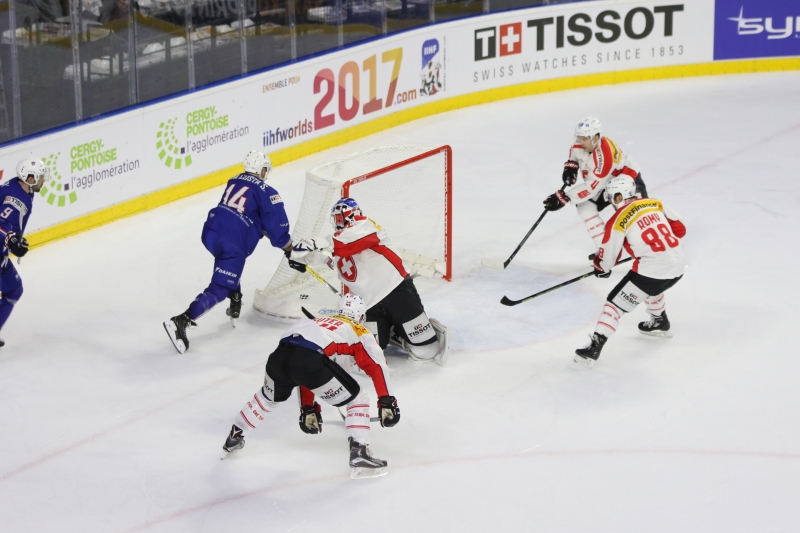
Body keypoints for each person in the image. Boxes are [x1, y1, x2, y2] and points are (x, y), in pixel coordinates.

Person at [221, 293, 400, 479]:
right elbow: (376, 367)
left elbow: (304, 359)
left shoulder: (317, 319)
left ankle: (235, 435)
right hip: (310, 361)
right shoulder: (360, 331)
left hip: (279, 357)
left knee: (267, 399)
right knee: (358, 398)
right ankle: (360, 454)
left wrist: (308, 408)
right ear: (361, 317)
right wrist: (387, 401)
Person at [163, 150, 304, 354]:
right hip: (233, 242)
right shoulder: (267, 191)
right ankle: (182, 320)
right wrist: (290, 250)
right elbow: (277, 231)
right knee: (220, 287)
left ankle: (235, 295)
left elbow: (241, 210)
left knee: (226, 266)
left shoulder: (234, 180)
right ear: (263, 169)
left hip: (211, 232)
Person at [293, 197, 448, 364]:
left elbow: (340, 242)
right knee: (368, 360)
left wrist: (314, 243)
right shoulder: (338, 245)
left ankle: (404, 331)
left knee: (427, 352)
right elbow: (322, 254)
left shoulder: (366, 226)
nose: (337, 222)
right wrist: (301, 257)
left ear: (351, 215)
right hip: (370, 307)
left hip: (397, 293)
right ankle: (392, 332)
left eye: (339, 218)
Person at [574, 176, 687, 366]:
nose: (611, 203)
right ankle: (660, 321)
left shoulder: (619, 218)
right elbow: (680, 230)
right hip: (678, 266)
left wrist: (601, 266)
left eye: (612, 198)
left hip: (652, 271)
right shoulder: (654, 203)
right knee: (652, 287)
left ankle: (593, 348)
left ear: (619, 197)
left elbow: (609, 257)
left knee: (614, 305)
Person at [543, 117, 649, 257]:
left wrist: (564, 198)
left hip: (626, 181)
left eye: (585, 139)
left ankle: (653, 244)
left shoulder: (604, 157)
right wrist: (571, 168)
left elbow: (591, 188)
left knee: (636, 213)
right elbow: (574, 156)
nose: (581, 142)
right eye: (579, 138)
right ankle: (606, 251)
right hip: (603, 182)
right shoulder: (580, 144)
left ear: (596, 137)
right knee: (585, 206)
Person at [0, 159, 47, 348]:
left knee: (14, 289)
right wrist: (10, 238)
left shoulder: (17, 185)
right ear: (30, 178)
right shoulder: (17, 200)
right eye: (41, 177)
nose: (43, 181)